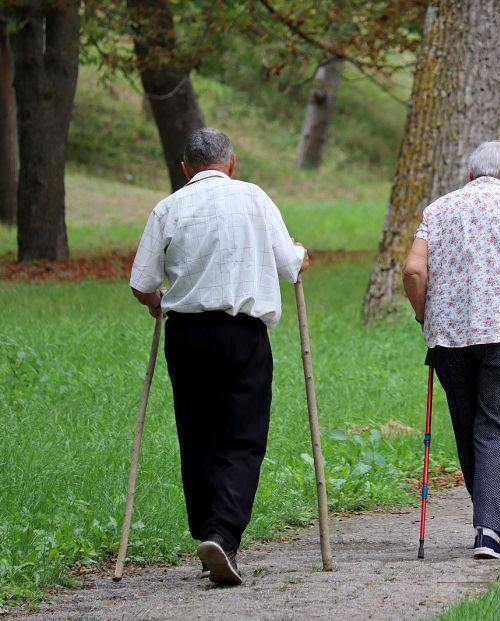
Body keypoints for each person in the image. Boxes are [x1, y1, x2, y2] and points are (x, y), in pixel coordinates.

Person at [129, 128, 309, 586]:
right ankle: (222, 535)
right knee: (243, 436)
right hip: (242, 333)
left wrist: (156, 303)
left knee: (198, 434)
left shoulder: (167, 208)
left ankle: (208, 531)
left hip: (186, 335)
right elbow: (289, 266)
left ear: (185, 167)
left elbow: (142, 283)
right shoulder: (253, 197)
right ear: (232, 163)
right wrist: (302, 255)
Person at [402, 140, 500, 559]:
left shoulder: (437, 210)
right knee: (499, 427)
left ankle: (485, 518)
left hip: (449, 338)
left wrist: (424, 317)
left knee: (470, 425)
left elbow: (414, 270)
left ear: (469, 176)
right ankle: (489, 531)